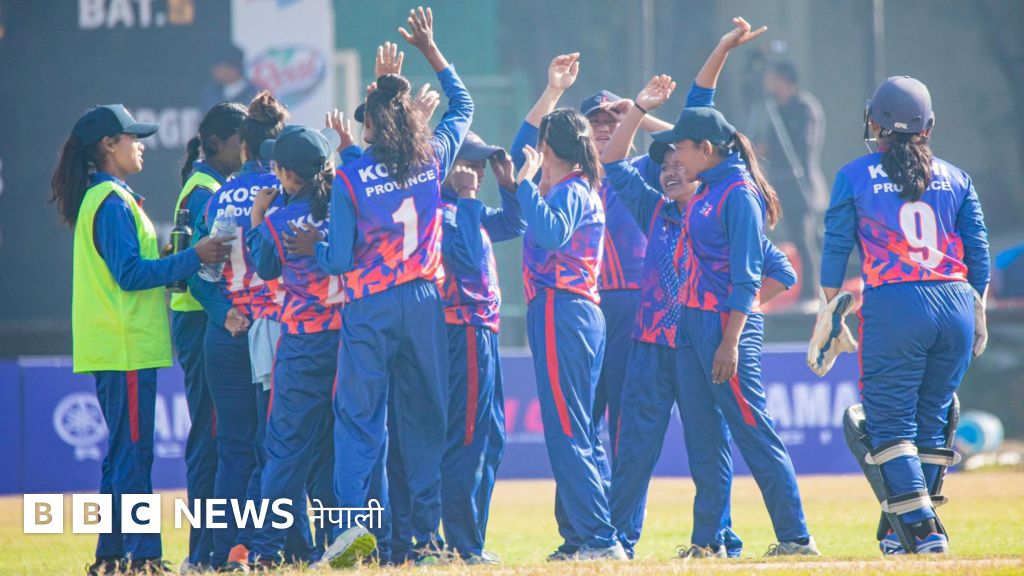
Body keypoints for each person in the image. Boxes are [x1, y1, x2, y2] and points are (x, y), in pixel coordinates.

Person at [603, 19, 799, 558]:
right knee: (638, 448)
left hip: (707, 334)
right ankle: (618, 541)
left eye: (678, 160)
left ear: (701, 164)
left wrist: (740, 317)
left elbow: (779, 271)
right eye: (663, 163)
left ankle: (722, 538)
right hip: (656, 341)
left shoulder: (724, 204)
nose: (670, 168)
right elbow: (614, 162)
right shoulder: (657, 209)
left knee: (713, 444)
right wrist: (637, 110)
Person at [287, 7, 473, 567]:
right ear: (410, 119)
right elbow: (463, 105)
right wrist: (431, 50)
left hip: (370, 306)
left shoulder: (348, 177)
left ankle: (352, 537)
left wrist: (312, 250)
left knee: (359, 423)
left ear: (368, 126)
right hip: (423, 302)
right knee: (423, 422)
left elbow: (339, 259)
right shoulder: (431, 159)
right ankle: (422, 541)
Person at [648, 17, 819, 557]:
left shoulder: (737, 194)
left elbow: (754, 274)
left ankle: (796, 537)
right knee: (702, 438)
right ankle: (709, 542)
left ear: (706, 148)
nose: (675, 157)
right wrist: (723, 46)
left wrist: (730, 337)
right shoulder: (709, 180)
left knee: (752, 431)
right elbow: (700, 99)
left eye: (681, 148)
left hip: (725, 328)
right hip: (692, 324)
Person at [811, 76, 989, 554]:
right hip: (956, 301)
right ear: (928, 126)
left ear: (874, 123)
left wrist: (831, 309)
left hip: (897, 303)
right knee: (931, 422)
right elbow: (979, 252)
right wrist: (978, 305)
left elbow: (836, 249)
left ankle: (925, 530)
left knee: (887, 426)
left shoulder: (854, 174)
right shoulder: (958, 177)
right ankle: (898, 533)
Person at [50, 104, 231, 575]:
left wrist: (175, 257)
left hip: (117, 344)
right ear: (109, 145)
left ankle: (111, 557)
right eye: (133, 138)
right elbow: (130, 275)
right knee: (133, 453)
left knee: (122, 454)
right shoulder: (111, 200)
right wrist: (193, 257)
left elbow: (131, 268)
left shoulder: (108, 196)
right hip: (124, 345)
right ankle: (144, 556)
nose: (141, 145)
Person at [512, 103, 627, 558]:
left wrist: (525, 183)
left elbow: (552, 233)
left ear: (546, 148)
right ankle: (583, 536)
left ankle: (599, 538)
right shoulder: (577, 187)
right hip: (575, 312)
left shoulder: (571, 189)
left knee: (567, 430)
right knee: (579, 428)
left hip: (561, 307)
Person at [247, 124, 345, 569]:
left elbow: (265, 269)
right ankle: (335, 542)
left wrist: (257, 217)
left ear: (287, 174)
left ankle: (266, 551)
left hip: (303, 344)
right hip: (347, 342)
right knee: (332, 451)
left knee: (285, 451)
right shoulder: (344, 210)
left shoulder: (278, 221)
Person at [436, 132, 524, 564]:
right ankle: (462, 544)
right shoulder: (439, 210)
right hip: (461, 329)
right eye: (468, 163)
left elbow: (514, 225)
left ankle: (472, 540)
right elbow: (469, 258)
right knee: (468, 437)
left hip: (482, 330)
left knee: (492, 439)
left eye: (481, 164)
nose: (477, 173)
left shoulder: (465, 208)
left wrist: (509, 188)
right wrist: (470, 196)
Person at [171, 101, 245, 573]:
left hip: (203, 321)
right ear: (216, 143)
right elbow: (202, 274)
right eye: (241, 140)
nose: (247, 148)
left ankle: (211, 550)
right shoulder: (207, 191)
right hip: (203, 321)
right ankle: (202, 555)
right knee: (212, 439)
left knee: (215, 437)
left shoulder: (209, 185)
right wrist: (226, 314)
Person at [759, 59, 827, 299]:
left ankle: (811, 292)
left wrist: (771, 149)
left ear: (783, 79)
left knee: (803, 239)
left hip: (801, 185)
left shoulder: (805, 108)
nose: (767, 82)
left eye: (771, 76)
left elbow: (804, 147)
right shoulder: (776, 109)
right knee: (785, 238)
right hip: (780, 185)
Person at [202, 44, 260, 112]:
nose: (214, 71)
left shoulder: (256, 96)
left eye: (219, 67)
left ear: (233, 68)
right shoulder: (210, 94)